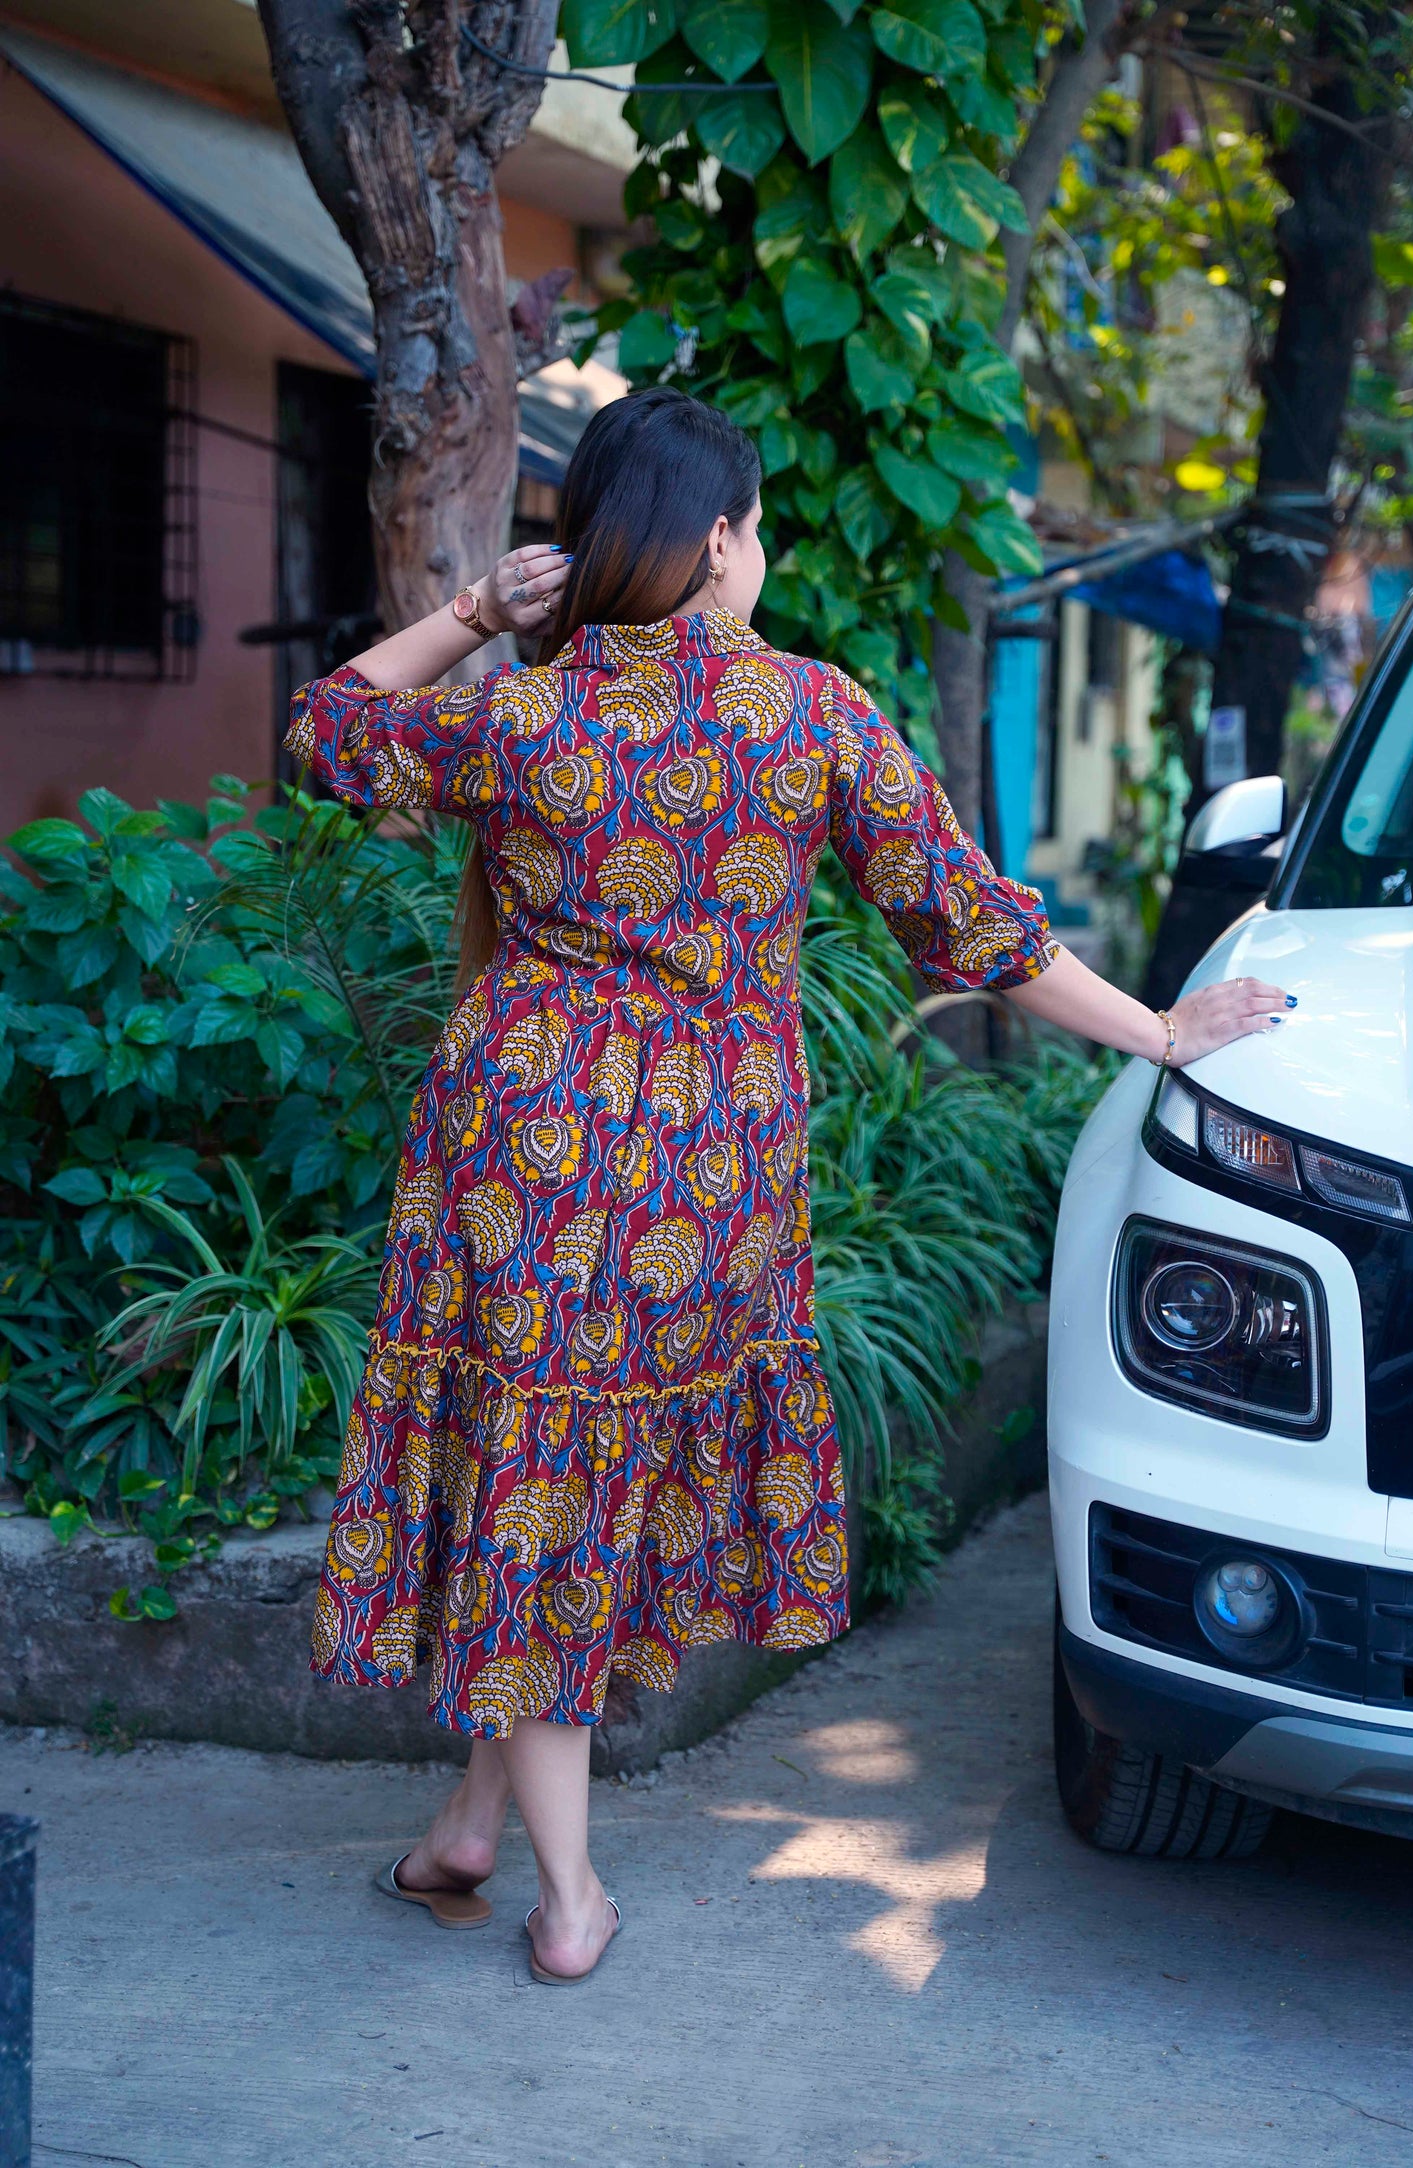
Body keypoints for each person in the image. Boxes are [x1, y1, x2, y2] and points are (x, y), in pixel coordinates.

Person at [285, 386, 1287, 1984]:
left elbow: (325, 731)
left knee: (542, 1470)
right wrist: (1162, 1030)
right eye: (753, 527)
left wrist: (475, 609)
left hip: (519, 1152)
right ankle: (561, 1898)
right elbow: (979, 930)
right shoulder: (813, 715)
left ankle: (486, 1840)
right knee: (578, 1485)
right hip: (704, 1166)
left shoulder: (523, 717)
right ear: (726, 538)